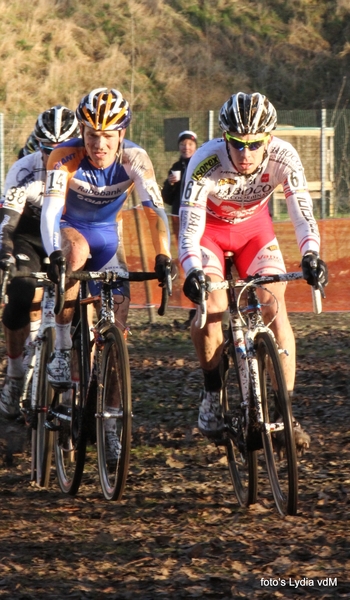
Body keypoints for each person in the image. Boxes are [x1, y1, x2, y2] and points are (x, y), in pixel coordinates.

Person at [178, 91, 328, 451]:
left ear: (269, 138)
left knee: (274, 307)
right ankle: (212, 395)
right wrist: (193, 269)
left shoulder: (284, 155)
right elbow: (189, 226)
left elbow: (302, 211)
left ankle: (285, 412)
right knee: (212, 309)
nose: (245, 154)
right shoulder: (204, 160)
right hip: (210, 233)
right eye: (237, 144)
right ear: (224, 138)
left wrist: (311, 255)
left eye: (255, 144)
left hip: (254, 232)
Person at [40, 87, 174, 465]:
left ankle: (111, 427)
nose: (99, 144)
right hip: (71, 229)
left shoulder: (134, 157)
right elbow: (51, 211)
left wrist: (164, 255)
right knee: (76, 253)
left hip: (108, 240)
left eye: (108, 136)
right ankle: (63, 350)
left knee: (117, 334)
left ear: (122, 133)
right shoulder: (64, 155)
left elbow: (154, 210)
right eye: (92, 134)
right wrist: (54, 253)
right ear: (82, 131)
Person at [0, 105, 81, 419]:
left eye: (62, 150)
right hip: (30, 235)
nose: (54, 158)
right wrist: (5, 252)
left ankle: (79, 390)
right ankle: (16, 375)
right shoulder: (24, 168)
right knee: (21, 294)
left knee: (80, 314)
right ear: (37, 145)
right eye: (47, 150)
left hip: (71, 236)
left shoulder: (89, 168)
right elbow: (7, 223)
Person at [161, 130, 198, 217]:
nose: (186, 147)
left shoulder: (200, 166)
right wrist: (170, 184)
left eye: (190, 144)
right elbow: (167, 199)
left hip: (196, 215)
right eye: (182, 144)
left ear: (196, 146)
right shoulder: (176, 167)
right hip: (178, 215)